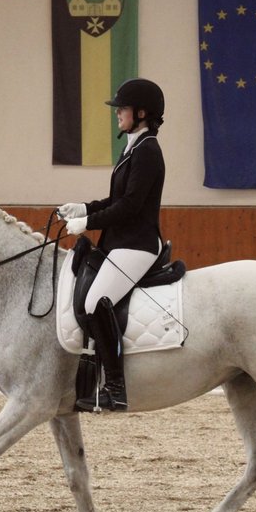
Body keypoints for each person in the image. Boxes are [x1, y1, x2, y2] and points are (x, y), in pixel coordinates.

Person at [58, 77, 166, 411]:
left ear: (142, 113)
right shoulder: (133, 147)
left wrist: (88, 224)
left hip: (137, 244)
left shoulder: (148, 151)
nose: (117, 113)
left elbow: (130, 206)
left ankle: (115, 388)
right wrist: (84, 208)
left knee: (95, 302)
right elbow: (117, 199)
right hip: (121, 242)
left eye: (123, 109)